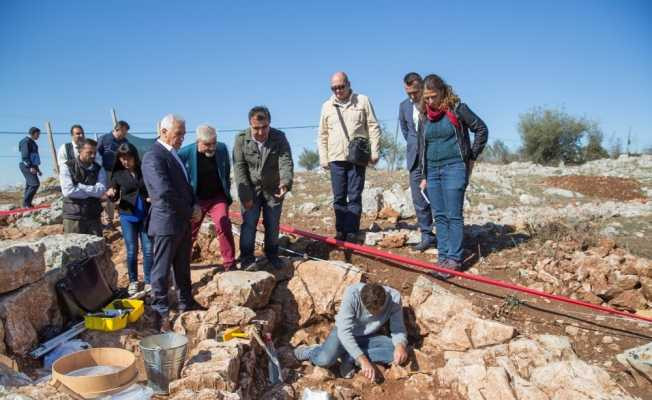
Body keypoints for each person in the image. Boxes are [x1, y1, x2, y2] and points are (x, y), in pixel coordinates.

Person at [417, 74, 488, 277]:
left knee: (453, 215)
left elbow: (481, 130)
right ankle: (442, 258)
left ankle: (455, 260)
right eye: (427, 97)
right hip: (433, 171)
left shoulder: (458, 109)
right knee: (439, 215)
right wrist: (424, 174)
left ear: (443, 92)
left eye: (434, 96)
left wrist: (471, 156)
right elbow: (423, 146)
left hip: (454, 168)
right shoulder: (424, 115)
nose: (430, 101)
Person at [142, 114, 203, 332]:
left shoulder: (173, 154)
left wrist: (194, 205)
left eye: (183, 134)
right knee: (161, 269)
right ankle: (160, 311)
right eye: (178, 134)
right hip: (166, 221)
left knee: (182, 266)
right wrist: (189, 211)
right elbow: (163, 191)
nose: (181, 138)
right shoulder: (153, 156)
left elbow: (185, 187)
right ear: (164, 132)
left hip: (181, 221)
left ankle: (186, 302)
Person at [293, 283, 408, 382]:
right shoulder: (352, 294)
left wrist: (400, 345)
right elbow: (344, 332)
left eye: (377, 311)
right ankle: (312, 351)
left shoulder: (394, 299)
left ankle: (349, 358)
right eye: (370, 311)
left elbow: (398, 329)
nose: (373, 315)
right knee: (324, 360)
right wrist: (363, 360)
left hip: (369, 337)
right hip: (344, 334)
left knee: (397, 352)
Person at [318, 72, 381, 242]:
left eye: (341, 86)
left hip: (357, 158)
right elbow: (322, 134)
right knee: (339, 196)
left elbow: (373, 126)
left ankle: (352, 231)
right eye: (334, 88)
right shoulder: (326, 106)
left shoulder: (363, 100)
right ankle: (340, 231)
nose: (338, 90)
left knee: (354, 195)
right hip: (335, 158)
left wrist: (374, 151)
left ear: (348, 84)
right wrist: (324, 158)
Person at [233, 106, 293, 270]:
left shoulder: (279, 137)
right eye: (256, 128)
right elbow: (239, 167)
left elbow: (285, 161)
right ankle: (246, 258)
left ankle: (272, 255)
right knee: (249, 223)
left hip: (273, 189)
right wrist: (245, 194)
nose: (260, 132)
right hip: (250, 189)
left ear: (269, 123)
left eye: (264, 127)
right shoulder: (241, 139)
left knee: (272, 224)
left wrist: (286, 182)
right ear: (250, 125)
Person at [178, 124, 236, 271]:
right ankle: (182, 263)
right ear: (198, 141)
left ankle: (229, 263)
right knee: (190, 231)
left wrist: (226, 191)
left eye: (214, 143)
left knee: (223, 225)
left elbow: (226, 170)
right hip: (196, 199)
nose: (212, 147)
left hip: (217, 197)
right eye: (207, 144)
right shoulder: (184, 153)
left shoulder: (221, 149)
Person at [106, 143, 152, 296]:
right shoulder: (117, 174)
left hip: (145, 214)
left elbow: (150, 187)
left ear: (134, 157)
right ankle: (133, 281)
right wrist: (111, 194)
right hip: (128, 216)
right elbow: (114, 192)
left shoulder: (143, 169)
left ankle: (149, 281)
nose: (125, 162)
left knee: (148, 249)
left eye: (128, 158)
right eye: (122, 159)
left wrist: (150, 197)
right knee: (132, 250)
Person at [399, 73, 435, 252]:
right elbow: (406, 131)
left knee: (436, 196)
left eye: (415, 92)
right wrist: (415, 145)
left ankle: (444, 235)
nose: (412, 96)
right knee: (418, 199)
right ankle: (427, 235)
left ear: (421, 87)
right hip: (414, 160)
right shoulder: (404, 107)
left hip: (434, 157)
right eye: (408, 93)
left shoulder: (431, 102)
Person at [60, 138, 107, 236]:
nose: (93, 155)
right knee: (74, 248)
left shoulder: (99, 169)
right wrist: (92, 192)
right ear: (80, 151)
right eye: (89, 152)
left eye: (94, 152)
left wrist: (81, 187)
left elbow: (101, 191)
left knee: (96, 249)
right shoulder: (67, 167)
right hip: (73, 217)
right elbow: (68, 191)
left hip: (93, 216)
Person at [97, 120, 130, 227]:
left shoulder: (125, 141)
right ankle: (108, 221)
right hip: (106, 171)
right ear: (117, 129)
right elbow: (97, 154)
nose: (124, 135)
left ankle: (123, 216)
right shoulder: (104, 139)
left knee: (120, 194)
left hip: (120, 172)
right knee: (108, 196)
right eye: (123, 132)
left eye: (126, 133)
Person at [18, 127, 42, 208]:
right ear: (33, 133)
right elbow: (25, 156)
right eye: (38, 134)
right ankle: (25, 204)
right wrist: (30, 167)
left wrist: (38, 169)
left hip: (32, 165)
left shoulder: (33, 143)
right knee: (35, 184)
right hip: (26, 165)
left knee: (29, 184)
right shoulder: (26, 141)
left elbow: (34, 157)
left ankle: (27, 204)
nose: (39, 136)